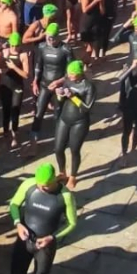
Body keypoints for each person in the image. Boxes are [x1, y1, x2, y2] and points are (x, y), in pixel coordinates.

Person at [46, 61, 96, 189]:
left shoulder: (88, 86)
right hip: (64, 118)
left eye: (72, 74)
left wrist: (73, 97)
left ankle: (73, 176)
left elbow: (87, 108)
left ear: (79, 74)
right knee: (58, 148)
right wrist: (59, 96)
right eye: (69, 73)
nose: (70, 75)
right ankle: (62, 172)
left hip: (79, 121)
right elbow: (61, 101)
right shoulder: (68, 80)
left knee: (74, 150)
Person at [29, 23, 73, 155]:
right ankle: (34, 143)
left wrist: (59, 82)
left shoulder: (66, 49)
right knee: (38, 113)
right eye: (48, 37)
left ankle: (60, 141)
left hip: (58, 87)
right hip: (44, 85)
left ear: (58, 36)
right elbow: (38, 65)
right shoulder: (42, 47)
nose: (49, 40)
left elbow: (70, 73)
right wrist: (35, 81)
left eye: (52, 38)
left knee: (57, 115)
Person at [0, 32, 30, 150]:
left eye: (16, 46)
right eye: (12, 45)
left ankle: (15, 135)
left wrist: (14, 67)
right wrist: (2, 67)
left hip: (17, 86)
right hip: (5, 84)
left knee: (15, 111)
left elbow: (26, 75)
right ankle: (6, 133)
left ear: (20, 45)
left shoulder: (23, 55)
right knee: (6, 111)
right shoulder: (5, 52)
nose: (14, 48)